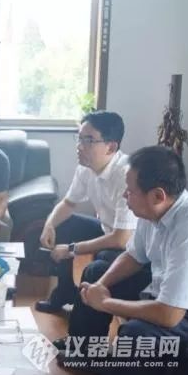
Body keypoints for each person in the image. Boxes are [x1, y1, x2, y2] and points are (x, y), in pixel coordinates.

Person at [63, 146, 188, 375]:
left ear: (158, 195)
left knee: (136, 334)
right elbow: (133, 255)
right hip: (164, 287)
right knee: (95, 272)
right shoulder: (155, 209)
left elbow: (169, 315)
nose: (124, 195)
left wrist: (106, 303)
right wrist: (100, 286)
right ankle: (85, 355)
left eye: (130, 191)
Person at [36, 111, 138, 314]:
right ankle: (64, 292)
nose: (80, 146)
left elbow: (121, 239)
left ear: (111, 147)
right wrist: (49, 224)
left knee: (100, 260)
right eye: (79, 138)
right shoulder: (86, 167)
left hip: (131, 246)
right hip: (108, 230)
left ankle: (86, 309)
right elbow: (68, 203)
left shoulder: (127, 175)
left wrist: (72, 249)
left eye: (88, 140)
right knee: (64, 223)